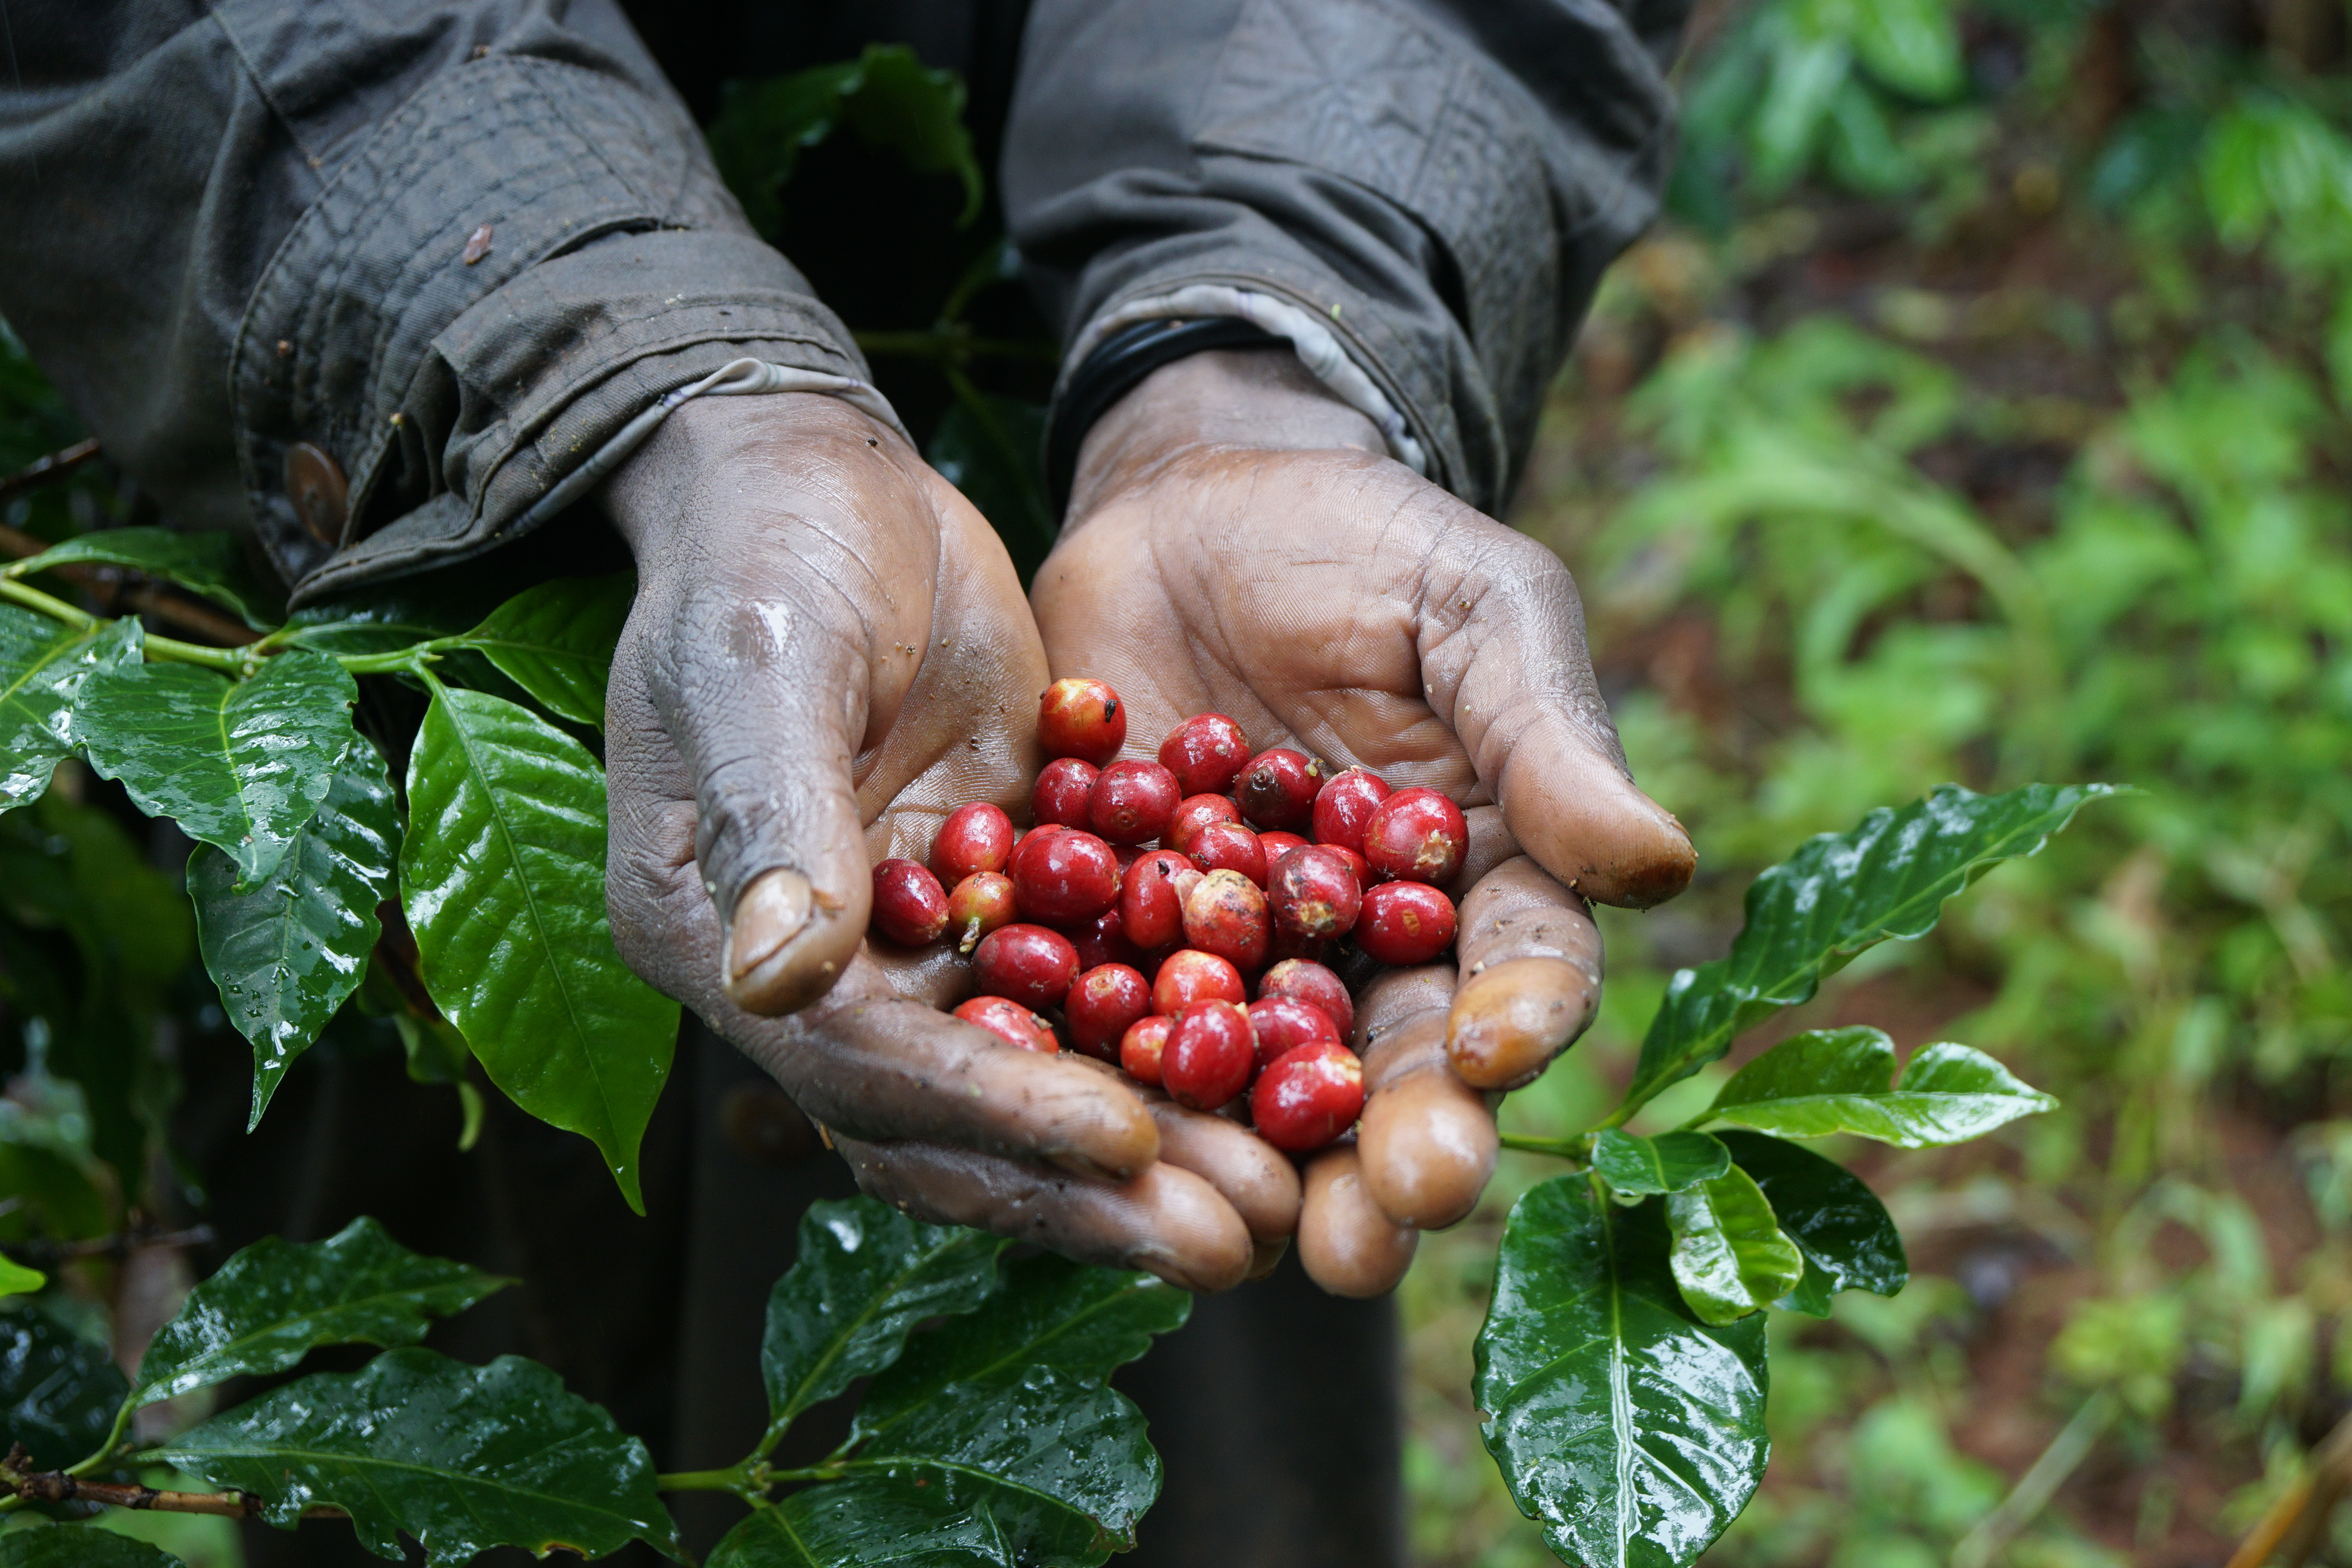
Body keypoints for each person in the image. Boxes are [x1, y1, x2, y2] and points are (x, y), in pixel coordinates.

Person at [0, 2, 1695, 1561]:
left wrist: (1256, 358)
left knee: (1147, 1365)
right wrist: (646, 383)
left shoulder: (1165, 846)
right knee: (450, 1427)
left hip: (1070, 497)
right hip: (439, 503)